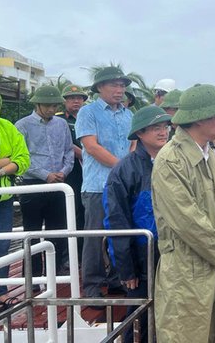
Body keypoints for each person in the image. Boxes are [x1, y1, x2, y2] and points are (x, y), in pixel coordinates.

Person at [151, 83, 215, 342]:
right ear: (200, 119)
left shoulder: (208, 154)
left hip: (213, 265)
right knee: (185, 334)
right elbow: (188, 223)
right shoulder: (170, 160)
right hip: (187, 272)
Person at [103, 105, 172, 343]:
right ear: (140, 134)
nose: (163, 132)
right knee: (139, 320)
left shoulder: (175, 163)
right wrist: (127, 269)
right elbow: (117, 222)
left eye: (165, 127)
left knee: (171, 316)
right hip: (141, 259)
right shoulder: (125, 170)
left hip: (171, 255)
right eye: (156, 128)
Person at [75, 66, 134, 299]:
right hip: (97, 185)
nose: (119, 90)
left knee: (119, 233)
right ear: (100, 87)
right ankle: (91, 285)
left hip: (122, 185)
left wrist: (126, 169)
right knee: (94, 236)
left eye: (122, 86)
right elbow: (91, 146)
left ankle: (115, 278)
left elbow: (134, 143)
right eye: (114, 85)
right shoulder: (87, 113)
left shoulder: (129, 115)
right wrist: (122, 167)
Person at [15, 85, 74, 279]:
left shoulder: (61, 124)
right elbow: (21, 157)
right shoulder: (22, 125)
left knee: (56, 230)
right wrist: (45, 175)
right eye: (47, 105)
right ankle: (32, 275)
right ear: (37, 104)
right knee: (31, 232)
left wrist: (63, 172)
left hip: (58, 184)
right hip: (33, 184)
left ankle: (54, 273)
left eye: (54, 105)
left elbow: (68, 151)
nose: (51, 109)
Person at [0, 83, 30, 315]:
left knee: (1, 246)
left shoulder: (7, 126)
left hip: (3, 198)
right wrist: (7, 160)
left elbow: (23, 158)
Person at [57, 84, 88, 262]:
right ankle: (67, 256)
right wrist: (86, 155)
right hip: (71, 170)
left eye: (79, 98)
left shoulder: (87, 118)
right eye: (71, 98)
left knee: (84, 213)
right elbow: (66, 143)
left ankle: (82, 254)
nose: (76, 101)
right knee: (70, 212)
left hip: (89, 171)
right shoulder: (60, 120)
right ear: (65, 101)